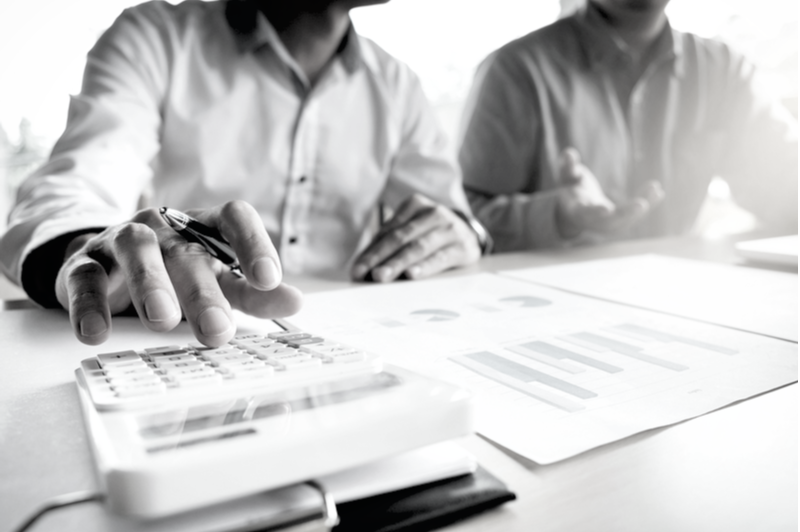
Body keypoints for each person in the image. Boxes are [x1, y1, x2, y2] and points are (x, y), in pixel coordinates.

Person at [0, 0, 488, 347]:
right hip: (169, 337)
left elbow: (451, 213)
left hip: (349, 348)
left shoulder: (398, 85)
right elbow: (74, 185)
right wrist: (88, 247)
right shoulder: (157, 38)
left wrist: (463, 231)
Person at [458, 0, 798, 252]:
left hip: (684, 302)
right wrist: (555, 215)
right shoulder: (516, 72)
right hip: (549, 303)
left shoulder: (723, 72)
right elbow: (460, 220)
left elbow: (784, 185)